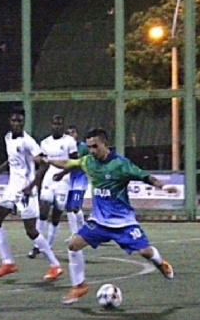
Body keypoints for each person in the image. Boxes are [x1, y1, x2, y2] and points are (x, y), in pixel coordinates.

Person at [46, 127, 177, 305]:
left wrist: (163, 187)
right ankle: (79, 286)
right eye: (89, 147)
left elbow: (144, 176)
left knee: (145, 252)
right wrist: (46, 159)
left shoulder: (121, 164)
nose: (91, 151)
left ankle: (160, 263)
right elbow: (68, 163)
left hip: (123, 223)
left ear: (105, 144)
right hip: (99, 222)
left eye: (95, 146)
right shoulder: (88, 161)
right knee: (73, 244)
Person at [0, 107, 64, 281]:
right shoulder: (8, 137)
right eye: (14, 120)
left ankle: (55, 265)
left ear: (23, 122)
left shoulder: (28, 142)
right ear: (9, 121)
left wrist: (32, 186)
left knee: (31, 231)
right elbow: (11, 158)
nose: (17, 123)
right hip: (12, 188)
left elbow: (44, 164)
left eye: (20, 121)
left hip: (26, 191)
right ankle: (8, 263)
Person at [28, 115, 78, 259]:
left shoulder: (69, 141)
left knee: (56, 215)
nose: (57, 126)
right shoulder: (45, 143)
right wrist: (36, 182)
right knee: (43, 210)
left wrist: (63, 173)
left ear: (63, 126)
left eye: (60, 124)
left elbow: (75, 162)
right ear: (51, 125)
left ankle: (48, 246)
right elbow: (43, 166)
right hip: (49, 181)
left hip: (64, 182)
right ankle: (38, 245)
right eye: (55, 124)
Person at [64, 124, 88, 236]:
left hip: (80, 179)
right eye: (68, 133)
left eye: (73, 132)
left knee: (75, 207)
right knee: (68, 207)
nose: (71, 135)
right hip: (69, 179)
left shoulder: (83, 147)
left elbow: (76, 160)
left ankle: (84, 232)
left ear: (77, 134)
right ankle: (74, 234)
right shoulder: (65, 146)